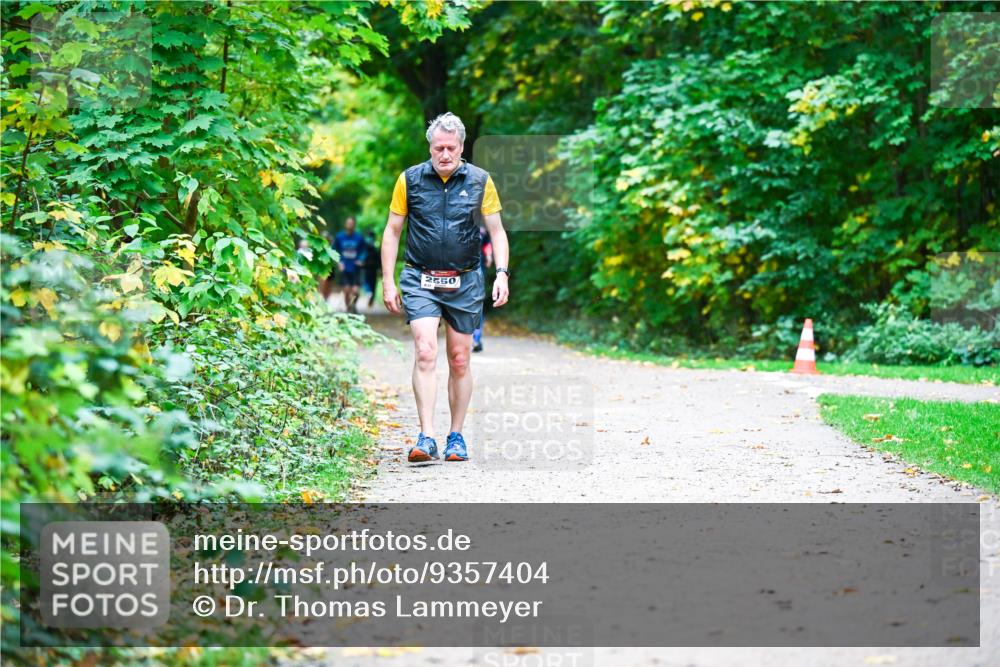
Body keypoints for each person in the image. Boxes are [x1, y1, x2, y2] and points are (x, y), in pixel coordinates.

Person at [380, 112, 510, 463]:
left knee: (460, 358)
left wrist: (502, 273)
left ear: (462, 147)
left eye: (451, 148)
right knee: (425, 352)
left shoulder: (482, 181)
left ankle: (456, 436)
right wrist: (388, 281)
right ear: (430, 147)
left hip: (465, 279)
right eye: (438, 148)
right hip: (420, 277)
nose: (445, 154)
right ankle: (427, 436)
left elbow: (497, 231)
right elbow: (392, 231)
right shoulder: (409, 180)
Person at [334, 216, 366, 313]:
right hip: (345, 267)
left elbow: (364, 251)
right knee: (347, 290)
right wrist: (339, 262)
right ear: (345, 224)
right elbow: (334, 250)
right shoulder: (339, 237)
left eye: (351, 223)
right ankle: (348, 309)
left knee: (355, 291)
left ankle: (354, 306)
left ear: (354, 225)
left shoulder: (359, 237)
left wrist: (361, 259)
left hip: (356, 268)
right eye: (348, 223)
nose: (350, 225)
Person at [472, 225, 492, 352]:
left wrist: (489, 255)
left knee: (476, 305)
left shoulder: (483, 229)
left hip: (478, 273)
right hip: (457, 273)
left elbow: (487, 243)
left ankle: (476, 339)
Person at [362, 231, 381, 308]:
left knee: (367, 282)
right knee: (373, 284)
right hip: (374, 268)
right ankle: (371, 298)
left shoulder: (366, 244)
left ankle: (369, 293)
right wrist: (380, 269)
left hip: (366, 267)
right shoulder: (376, 245)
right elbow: (379, 258)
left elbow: (363, 255)